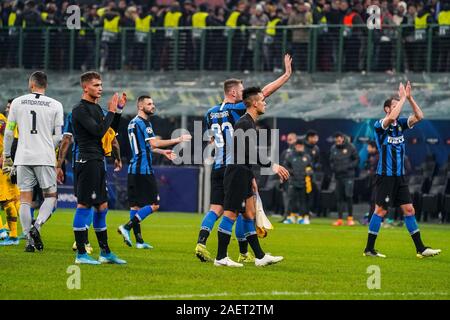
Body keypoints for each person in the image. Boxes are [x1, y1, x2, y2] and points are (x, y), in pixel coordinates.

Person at [194, 54, 293, 263]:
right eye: (241, 89)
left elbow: (211, 139)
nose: (243, 91)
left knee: (235, 210)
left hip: (221, 164)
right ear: (233, 92)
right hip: (235, 165)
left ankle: (206, 243)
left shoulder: (210, 113)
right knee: (232, 211)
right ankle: (229, 255)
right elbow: (263, 93)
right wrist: (285, 76)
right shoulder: (240, 111)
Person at [364, 81, 441, 258]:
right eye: (394, 104)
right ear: (386, 109)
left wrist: (410, 98)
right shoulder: (380, 125)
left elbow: (419, 116)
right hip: (385, 176)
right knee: (381, 211)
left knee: (409, 210)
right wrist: (402, 99)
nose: (398, 106)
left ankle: (421, 248)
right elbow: (391, 118)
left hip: (400, 177)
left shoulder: (401, 125)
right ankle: (369, 249)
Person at [215, 87, 290, 267]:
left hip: (244, 172)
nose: (265, 103)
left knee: (249, 214)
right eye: (263, 100)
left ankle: (260, 257)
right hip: (236, 173)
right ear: (255, 103)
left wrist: (251, 178)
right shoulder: (244, 123)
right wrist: (273, 165)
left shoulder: (249, 122)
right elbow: (248, 152)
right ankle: (220, 258)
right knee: (231, 214)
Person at [2, 71, 64, 252]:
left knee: (25, 199)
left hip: (22, 157)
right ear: (45, 85)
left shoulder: (17, 102)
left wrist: (7, 156)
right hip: (44, 156)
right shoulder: (56, 105)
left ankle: (29, 241)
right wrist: (46, 146)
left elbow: (9, 131)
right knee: (51, 197)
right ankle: (37, 226)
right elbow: (59, 136)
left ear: (31, 84)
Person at [117, 96, 190, 249]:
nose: (153, 106)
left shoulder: (132, 123)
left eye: (153, 103)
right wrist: (178, 139)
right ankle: (127, 227)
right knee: (154, 205)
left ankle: (139, 241)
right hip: (143, 170)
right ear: (140, 106)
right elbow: (153, 142)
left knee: (135, 206)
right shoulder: (144, 123)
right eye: (149, 104)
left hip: (133, 169)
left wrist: (163, 152)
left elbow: (147, 146)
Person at [71, 71, 126, 265]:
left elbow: (110, 132)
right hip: (87, 161)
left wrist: (117, 111)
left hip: (98, 161)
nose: (100, 88)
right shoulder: (79, 110)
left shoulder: (97, 109)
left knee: (102, 206)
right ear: (85, 87)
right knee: (84, 205)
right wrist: (111, 112)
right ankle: (81, 254)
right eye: (95, 85)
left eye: (101, 85)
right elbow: (96, 131)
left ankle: (105, 252)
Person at [0, 99, 21, 245]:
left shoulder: (5, 121)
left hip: (4, 164)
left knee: (8, 200)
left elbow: (7, 132)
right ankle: (12, 234)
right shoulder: (10, 121)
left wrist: (5, 156)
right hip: (9, 162)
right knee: (12, 200)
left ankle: (4, 231)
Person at [330, 131, 359, 226]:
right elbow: (331, 161)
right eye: (336, 138)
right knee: (339, 198)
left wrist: (348, 167)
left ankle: (350, 219)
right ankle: (339, 219)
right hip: (338, 177)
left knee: (349, 196)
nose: (337, 140)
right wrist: (334, 168)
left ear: (342, 138)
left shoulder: (350, 147)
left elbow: (357, 159)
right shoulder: (333, 148)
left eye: (339, 138)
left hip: (348, 176)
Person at [283, 139, 313, 224]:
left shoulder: (307, 156)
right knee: (291, 200)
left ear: (303, 147)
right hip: (293, 181)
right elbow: (286, 167)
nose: (299, 147)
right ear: (295, 146)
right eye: (298, 146)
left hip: (304, 182)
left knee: (303, 200)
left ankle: (301, 217)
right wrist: (292, 172)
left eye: (301, 146)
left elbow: (310, 167)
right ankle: (290, 217)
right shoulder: (290, 156)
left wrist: (309, 171)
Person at [279, 132, 297, 222]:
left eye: (291, 139)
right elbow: (281, 165)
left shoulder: (298, 152)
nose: (289, 141)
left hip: (295, 178)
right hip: (286, 178)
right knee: (286, 197)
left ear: (295, 140)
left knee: (294, 198)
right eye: (288, 140)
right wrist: (281, 177)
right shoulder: (285, 152)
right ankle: (286, 216)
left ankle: (295, 216)